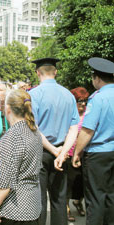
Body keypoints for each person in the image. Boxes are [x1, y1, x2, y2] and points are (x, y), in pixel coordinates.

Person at [29, 57, 79, 225]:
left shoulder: (33, 94)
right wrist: (62, 152)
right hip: (61, 153)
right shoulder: (68, 95)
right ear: (55, 72)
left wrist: (52, 150)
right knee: (59, 198)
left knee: (39, 200)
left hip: (40, 152)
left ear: (38, 73)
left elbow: (33, 127)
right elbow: (74, 127)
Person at [0, 89, 43, 225]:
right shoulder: (34, 131)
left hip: (14, 209)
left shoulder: (12, 137)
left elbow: (5, 182)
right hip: (33, 204)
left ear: (8, 109)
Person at [72, 57, 114, 225]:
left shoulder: (98, 98)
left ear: (97, 78)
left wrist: (77, 152)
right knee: (111, 195)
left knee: (95, 198)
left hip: (98, 154)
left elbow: (87, 130)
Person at [66, 87, 89, 222]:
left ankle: (78, 202)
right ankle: (66, 207)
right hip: (70, 152)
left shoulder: (89, 114)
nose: (83, 104)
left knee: (82, 183)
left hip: (85, 153)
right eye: (80, 101)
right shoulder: (69, 113)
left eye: (85, 101)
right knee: (69, 183)